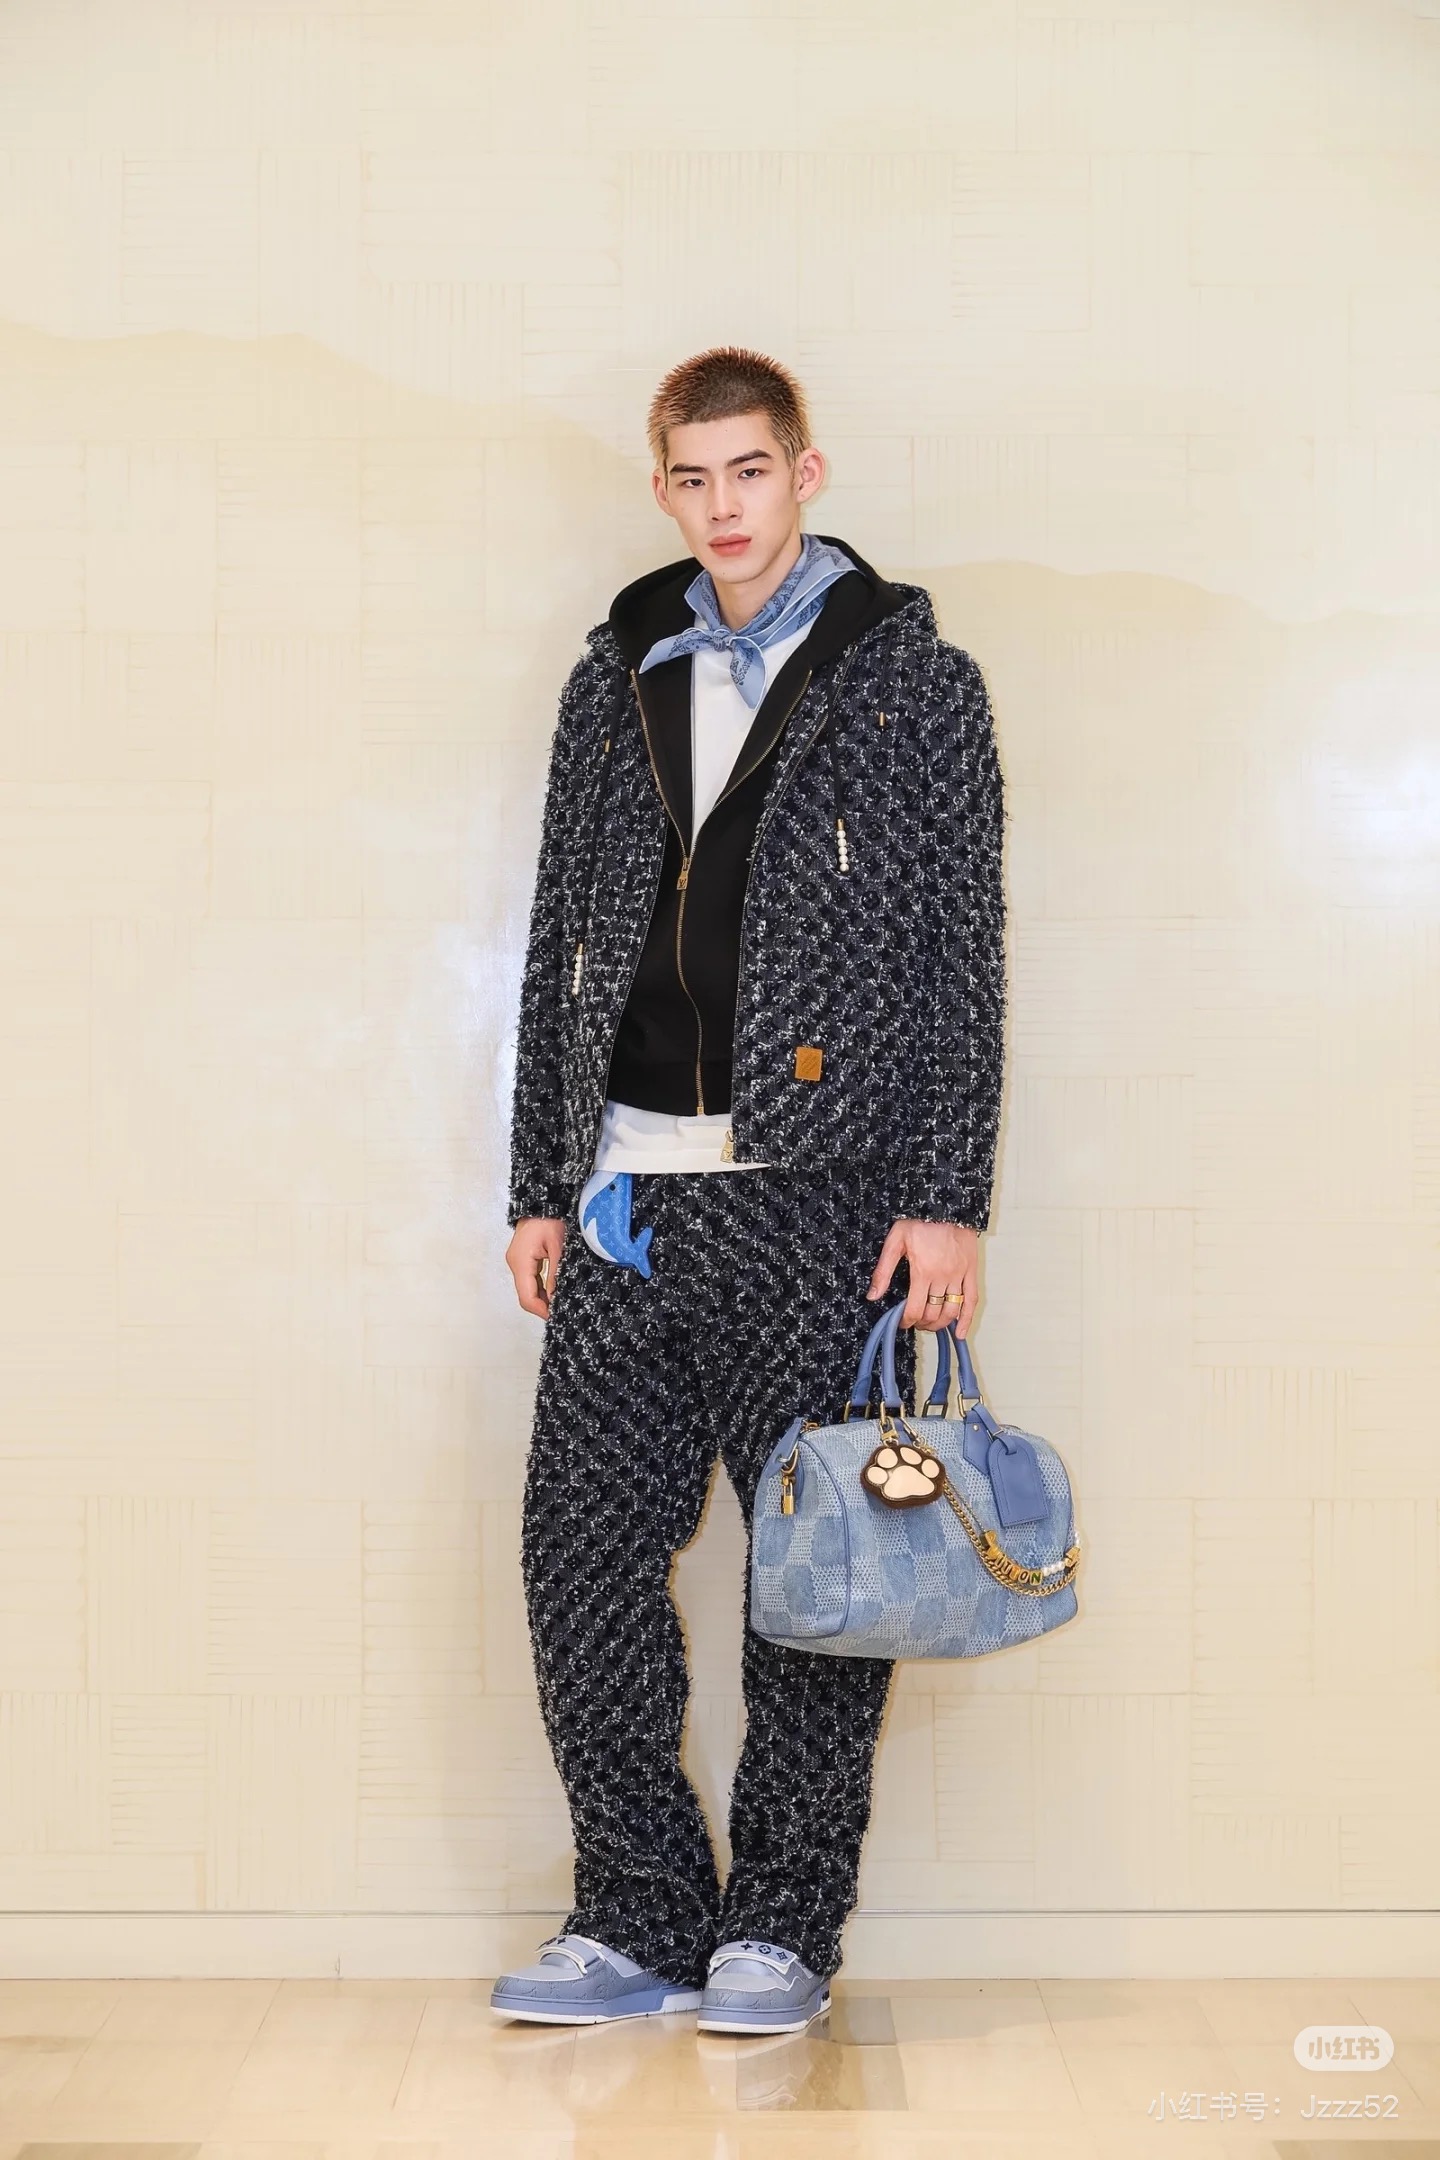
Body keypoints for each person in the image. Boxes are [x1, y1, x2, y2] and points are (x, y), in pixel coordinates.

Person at [493, 345, 1008, 2036]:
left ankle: (780, 1930)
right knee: (579, 1556)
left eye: (751, 472)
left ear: (807, 473)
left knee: (819, 1572)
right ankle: (637, 1914)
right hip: (627, 1195)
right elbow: (560, 937)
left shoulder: (917, 683)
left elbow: (963, 955)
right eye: (693, 478)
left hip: (822, 1197)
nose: (723, 507)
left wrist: (947, 1197)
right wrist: (539, 1181)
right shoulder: (614, 675)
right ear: (663, 489)